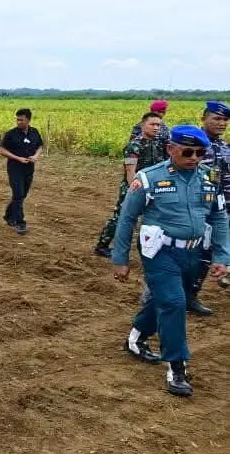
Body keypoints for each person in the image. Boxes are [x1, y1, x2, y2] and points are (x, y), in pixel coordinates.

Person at [112, 125, 230, 398]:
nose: (194, 158)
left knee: (166, 300)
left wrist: (222, 256)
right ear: (170, 149)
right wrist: (120, 259)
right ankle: (176, 367)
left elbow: (218, 218)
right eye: (188, 152)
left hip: (194, 253)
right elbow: (127, 219)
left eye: (200, 153)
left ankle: (137, 337)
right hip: (160, 252)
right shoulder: (149, 178)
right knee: (175, 303)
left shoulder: (210, 177)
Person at [94, 112, 168, 259]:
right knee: (122, 217)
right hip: (134, 187)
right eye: (152, 124)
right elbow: (130, 172)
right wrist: (134, 191)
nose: (156, 128)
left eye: (158, 125)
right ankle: (102, 245)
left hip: (154, 187)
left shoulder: (160, 145)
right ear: (142, 125)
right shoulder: (133, 146)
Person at [187, 101, 230, 313]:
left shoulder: (224, 147)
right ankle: (185, 295)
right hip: (197, 209)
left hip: (220, 209)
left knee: (211, 251)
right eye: (216, 118)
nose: (222, 123)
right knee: (196, 254)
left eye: (225, 120)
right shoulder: (193, 146)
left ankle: (191, 294)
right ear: (203, 119)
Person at [0, 108, 44, 235]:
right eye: (17, 119)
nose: (18, 122)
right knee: (18, 194)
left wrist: (36, 156)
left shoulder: (34, 132)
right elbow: (2, 150)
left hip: (29, 168)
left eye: (21, 120)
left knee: (22, 195)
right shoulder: (11, 134)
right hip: (15, 168)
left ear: (28, 120)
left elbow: (40, 145)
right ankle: (20, 223)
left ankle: (8, 215)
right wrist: (17, 158)